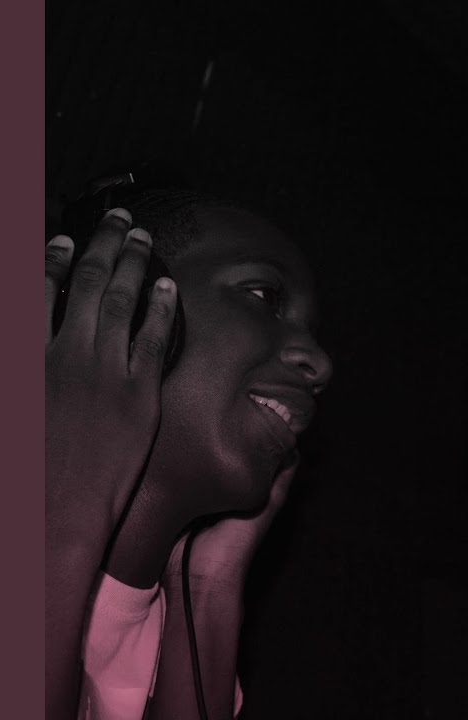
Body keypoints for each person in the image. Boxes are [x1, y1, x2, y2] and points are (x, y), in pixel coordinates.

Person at [45, 191, 333, 720]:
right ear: (129, 299)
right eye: (264, 296)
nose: (319, 363)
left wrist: (210, 589)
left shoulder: (183, 649)